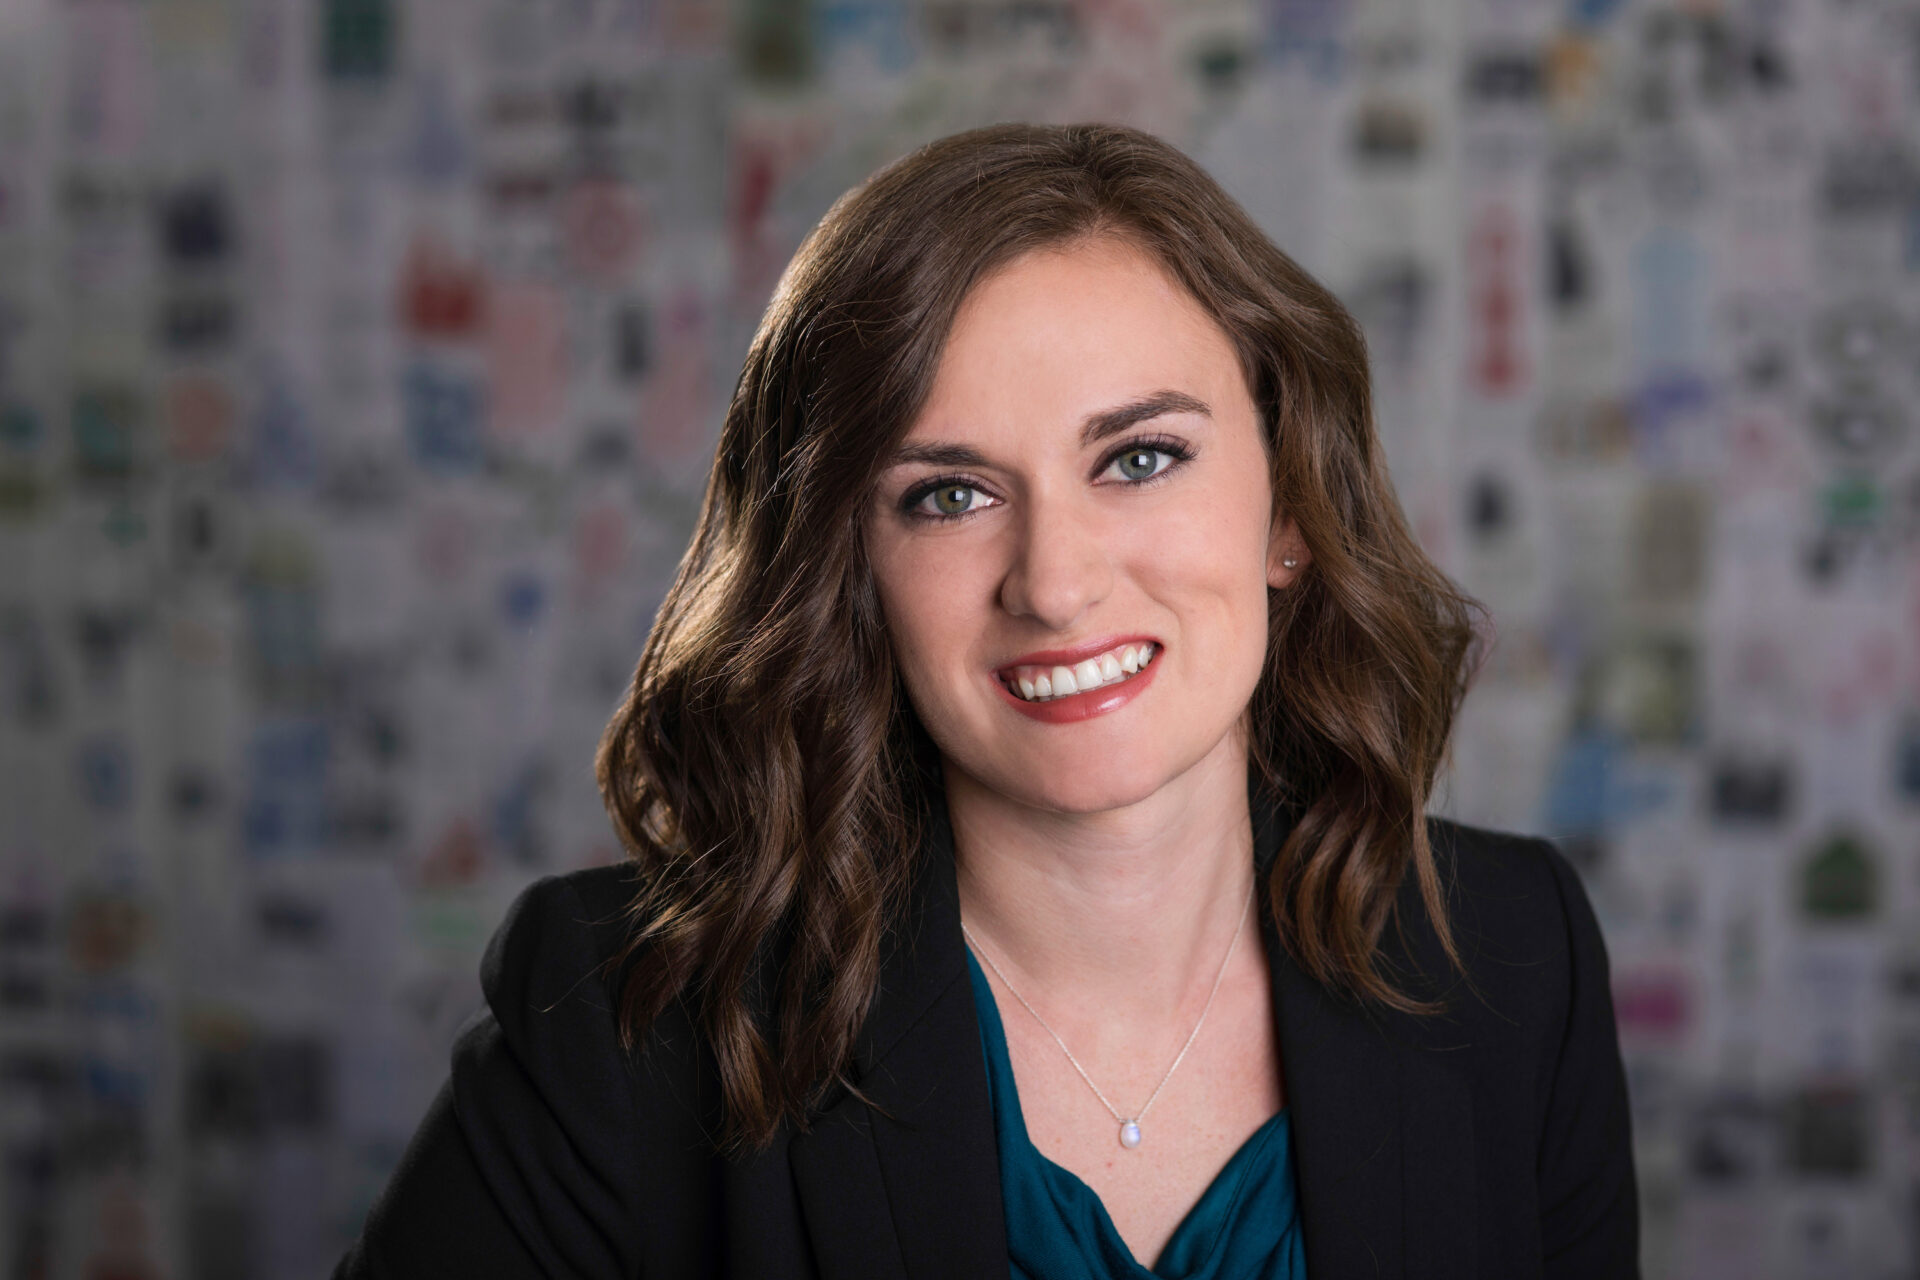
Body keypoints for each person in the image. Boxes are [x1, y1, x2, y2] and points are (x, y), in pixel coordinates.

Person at [335, 122, 1639, 1279]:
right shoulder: (634, 1019)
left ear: (1289, 507)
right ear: (852, 568)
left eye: (1139, 458)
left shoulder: (1517, 961)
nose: (1057, 583)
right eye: (948, 495)